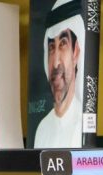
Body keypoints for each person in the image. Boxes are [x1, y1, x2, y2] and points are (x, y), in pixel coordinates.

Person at [33, 0, 85, 149]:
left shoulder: (84, 128)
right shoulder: (41, 129)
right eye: (51, 47)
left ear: (75, 52)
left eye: (63, 44)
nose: (56, 63)